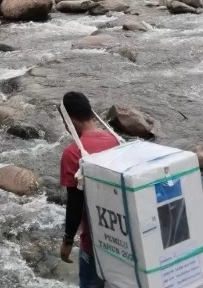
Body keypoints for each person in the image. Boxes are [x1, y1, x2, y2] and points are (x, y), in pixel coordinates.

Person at [59, 91, 120, 288]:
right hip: (122, 240)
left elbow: (75, 204)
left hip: (94, 243)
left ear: (69, 120)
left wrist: (67, 241)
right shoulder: (115, 141)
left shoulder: (72, 153)